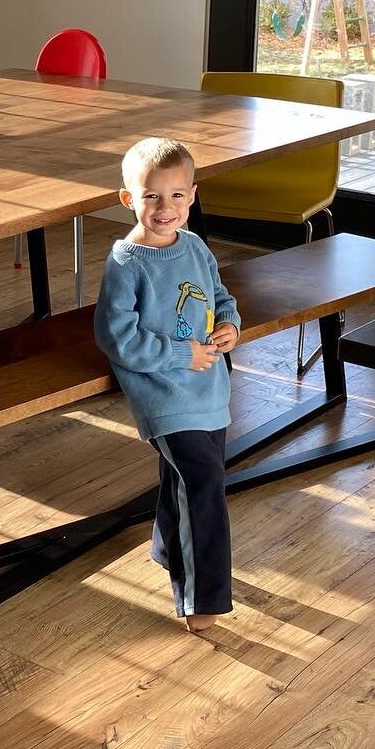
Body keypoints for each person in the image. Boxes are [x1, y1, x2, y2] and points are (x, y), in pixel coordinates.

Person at [93, 137, 240, 632]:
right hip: (165, 394)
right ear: (127, 199)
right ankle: (202, 600)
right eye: (151, 196)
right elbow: (117, 337)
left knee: (189, 477)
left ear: (192, 196)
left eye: (177, 196)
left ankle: (166, 546)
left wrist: (229, 325)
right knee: (203, 483)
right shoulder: (126, 263)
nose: (165, 208)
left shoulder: (194, 246)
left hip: (209, 387)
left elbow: (219, 296)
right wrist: (182, 354)